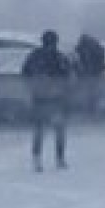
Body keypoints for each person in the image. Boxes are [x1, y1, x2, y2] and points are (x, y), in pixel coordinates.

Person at [22, 30, 72, 171]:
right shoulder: (60, 57)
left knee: (40, 130)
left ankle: (38, 159)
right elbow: (68, 77)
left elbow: (25, 74)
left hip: (41, 98)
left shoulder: (34, 56)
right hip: (55, 99)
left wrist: (33, 87)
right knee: (58, 130)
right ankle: (59, 158)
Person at [74, 33, 105, 117]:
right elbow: (101, 61)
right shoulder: (97, 48)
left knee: (88, 94)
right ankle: (92, 111)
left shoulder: (84, 49)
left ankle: (88, 111)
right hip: (93, 75)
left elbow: (79, 62)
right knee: (92, 95)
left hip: (87, 75)